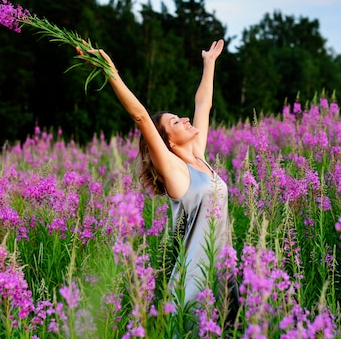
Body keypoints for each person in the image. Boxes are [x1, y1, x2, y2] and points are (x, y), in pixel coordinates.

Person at [79, 40, 236, 311]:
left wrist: (209, 63)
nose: (186, 119)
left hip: (223, 278)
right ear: (169, 144)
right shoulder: (176, 172)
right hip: (194, 288)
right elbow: (140, 117)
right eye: (176, 122)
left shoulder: (199, 157)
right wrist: (109, 71)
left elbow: (203, 104)